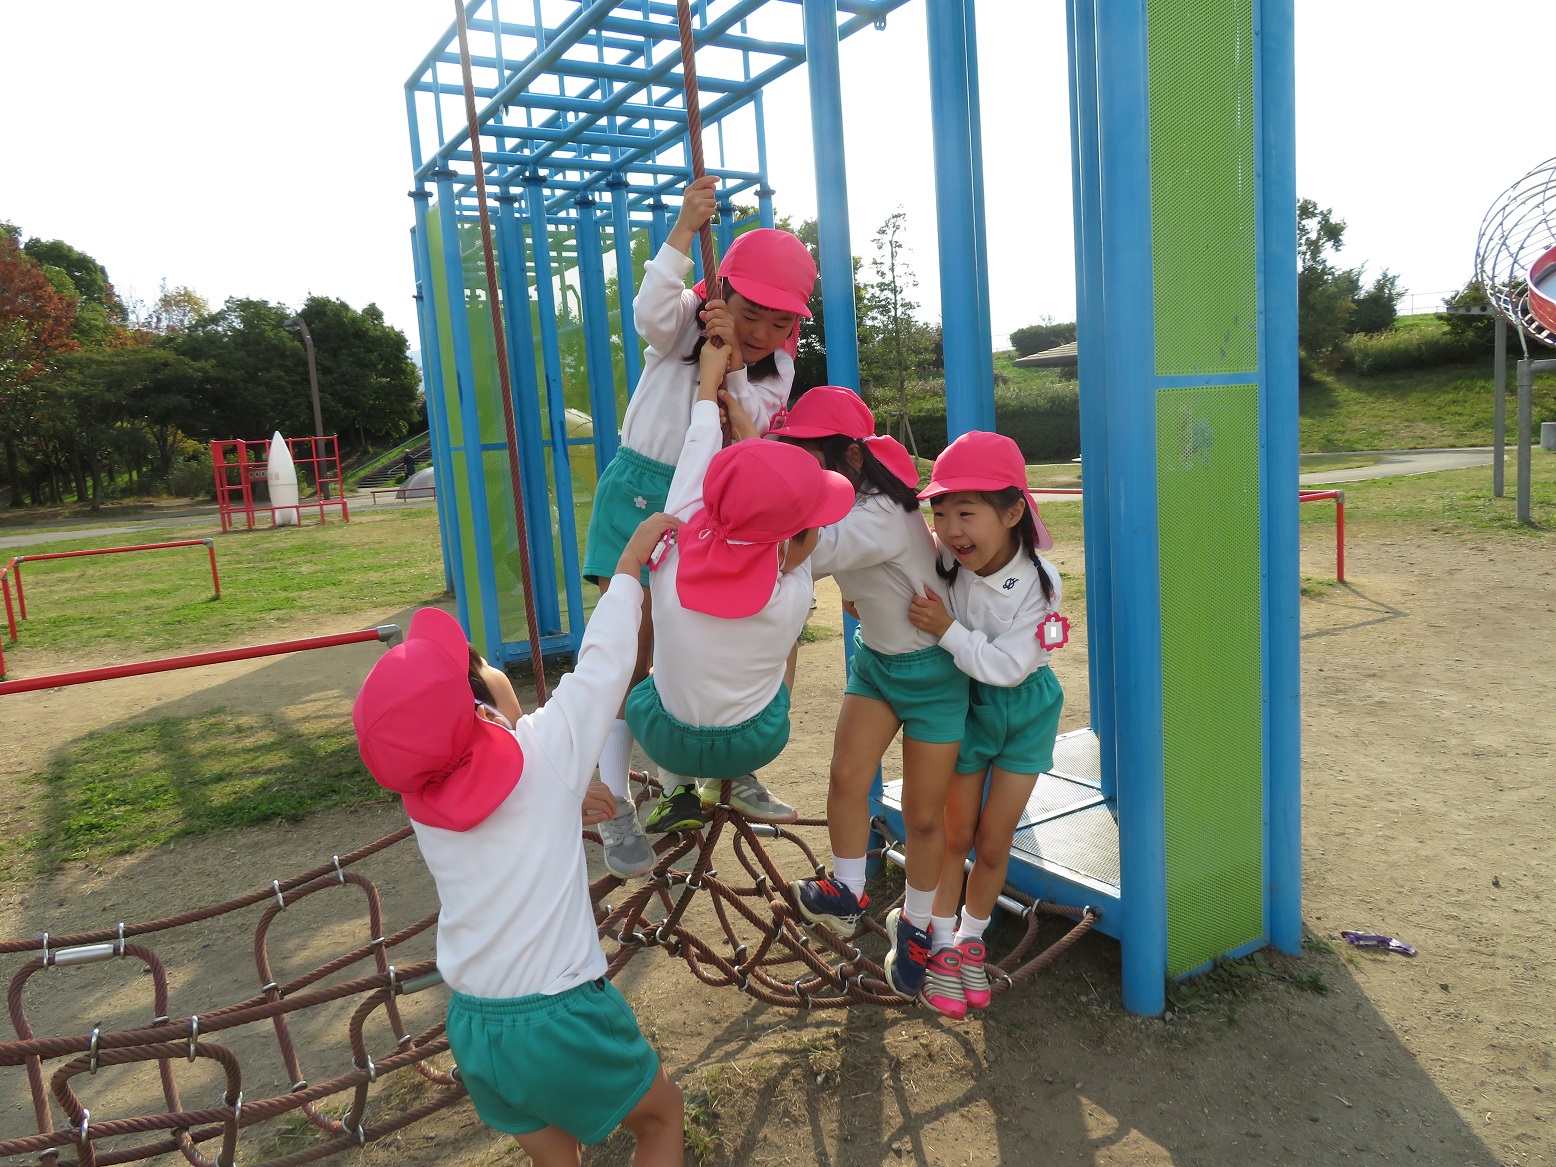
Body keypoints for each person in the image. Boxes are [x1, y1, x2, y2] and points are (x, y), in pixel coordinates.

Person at [352, 512, 685, 1167]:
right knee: (661, 1116)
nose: (487, 666)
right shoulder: (544, 751)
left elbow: (501, 803)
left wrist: (565, 795)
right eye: (476, 666)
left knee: (556, 1155)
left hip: (477, 1028)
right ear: (476, 707)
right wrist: (627, 567)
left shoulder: (422, 797)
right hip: (559, 1016)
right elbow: (603, 665)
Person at [582, 174, 818, 878]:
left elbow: (752, 429)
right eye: (750, 314)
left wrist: (730, 368)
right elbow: (649, 315)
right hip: (642, 491)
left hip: (716, 505)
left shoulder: (776, 368)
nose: (763, 333)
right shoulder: (686, 317)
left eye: (780, 323)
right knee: (631, 648)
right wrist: (685, 228)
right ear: (721, 293)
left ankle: (730, 768)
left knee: (724, 634)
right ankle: (613, 803)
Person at [771, 388, 971, 1012]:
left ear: (852, 459)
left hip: (934, 675)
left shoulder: (879, 513)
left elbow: (800, 555)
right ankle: (848, 888)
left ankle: (915, 924)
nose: (801, 472)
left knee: (924, 816)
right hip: (879, 666)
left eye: (811, 458)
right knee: (846, 777)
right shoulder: (848, 504)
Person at [626, 342, 855, 834]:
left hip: (665, 739)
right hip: (752, 742)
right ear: (791, 539)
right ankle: (738, 780)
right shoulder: (792, 593)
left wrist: (710, 383)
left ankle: (677, 790)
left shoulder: (674, 550)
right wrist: (750, 431)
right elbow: (788, 545)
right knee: (785, 648)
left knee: (658, 666)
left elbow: (696, 451)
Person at [903, 430, 1065, 1019]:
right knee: (955, 836)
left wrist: (946, 629)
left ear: (1014, 512)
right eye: (940, 513)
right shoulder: (949, 561)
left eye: (966, 513)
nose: (950, 530)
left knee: (995, 841)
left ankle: (971, 939)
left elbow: (1006, 666)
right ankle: (941, 945)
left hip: (1025, 710)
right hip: (964, 706)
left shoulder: (1040, 582)